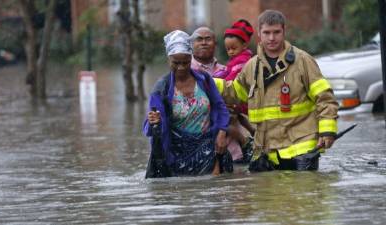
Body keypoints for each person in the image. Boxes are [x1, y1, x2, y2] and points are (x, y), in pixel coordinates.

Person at [215, 10, 339, 171]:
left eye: (276, 32)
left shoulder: (303, 61)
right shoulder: (252, 66)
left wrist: (328, 131)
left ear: (284, 31)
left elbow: (325, 98)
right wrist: (207, 81)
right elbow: (237, 93)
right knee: (270, 196)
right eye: (266, 33)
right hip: (267, 151)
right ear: (259, 33)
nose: (271, 38)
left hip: (302, 150)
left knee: (306, 194)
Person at [143, 30, 232, 177]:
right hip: (177, 156)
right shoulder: (161, 89)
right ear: (168, 60)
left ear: (191, 58)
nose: (181, 67)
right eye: (176, 63)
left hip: (208, 150)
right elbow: (151, 127)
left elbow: (220, 107)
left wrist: (222, 132)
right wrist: (154, 121)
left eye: (186, 62)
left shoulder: (204, 80)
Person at [190, 26, 253, 164]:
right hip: (203, 150)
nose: (204, 42)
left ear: (216, 44)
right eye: (199, 39)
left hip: (236, 150)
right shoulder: (185, 73)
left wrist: (237, 107)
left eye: (208, 39)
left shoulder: (228, 70)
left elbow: (245, 98)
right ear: (191, 45)